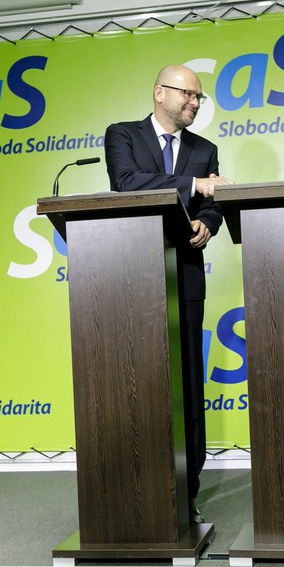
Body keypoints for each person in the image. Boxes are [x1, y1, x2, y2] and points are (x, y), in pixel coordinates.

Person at [104, 64, 233, 524]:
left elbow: (216, 204)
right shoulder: (123, 135)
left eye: (199, 97)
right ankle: (140, 492)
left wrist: (208, 222)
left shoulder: (205, 148)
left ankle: (187, 489)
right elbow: (126, 184)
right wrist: (194, 185)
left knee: (187, 385)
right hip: (133, 280)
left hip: (187, 279)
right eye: (188, 94)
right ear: (160, 93)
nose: (194, 102)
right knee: (139, 384)